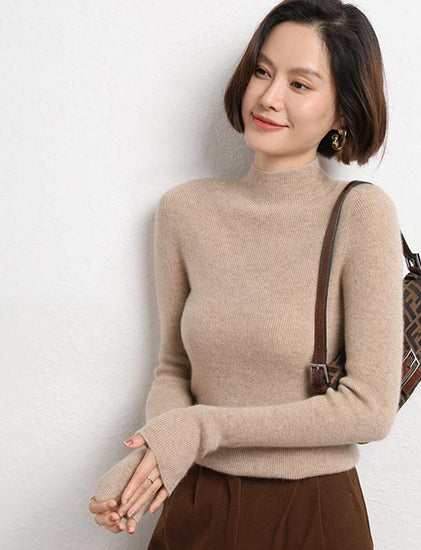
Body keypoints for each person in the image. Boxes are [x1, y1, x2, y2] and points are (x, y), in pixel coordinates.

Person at [88, 0, 404, 548]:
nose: (269, 97)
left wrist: (201, 428)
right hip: (195, 505)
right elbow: (174, 368)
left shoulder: (360, 214)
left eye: (300, 84)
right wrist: (150, 464)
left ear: (343, 112)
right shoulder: (185, 211)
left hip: (313, 513)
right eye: (262, 71)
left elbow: (371, 409)